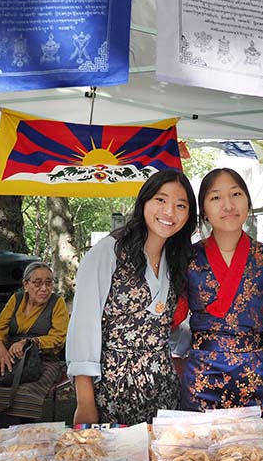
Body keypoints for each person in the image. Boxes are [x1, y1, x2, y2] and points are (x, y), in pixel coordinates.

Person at [67, 170, 197, 426]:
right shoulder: (109, 252)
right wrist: (85, 402)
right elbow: (83, 328)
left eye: (180, 205)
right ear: (144, 202)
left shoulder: (175, 258)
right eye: (161, 200)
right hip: (113, 394)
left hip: (163, 393)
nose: (169, 212)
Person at [180, 168, 263, 415]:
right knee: (201, 452)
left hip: (256, 379)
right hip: (202, 379)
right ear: (204, 211)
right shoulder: (187, 257)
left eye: (236, 194)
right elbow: (171, 315)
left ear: (248, 202)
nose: (228, 205)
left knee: (258, 452)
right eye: (216, 197)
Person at [0, 261, 69, 427]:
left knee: (23, 393)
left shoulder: (56, 303)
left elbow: (59, 337)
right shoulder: (16, 300)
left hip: (43, 359)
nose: (44, 288)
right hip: (10, 354)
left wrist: (30, 342)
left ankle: (19, 434)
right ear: (25, 284)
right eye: (37, 283)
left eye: (49, 282)